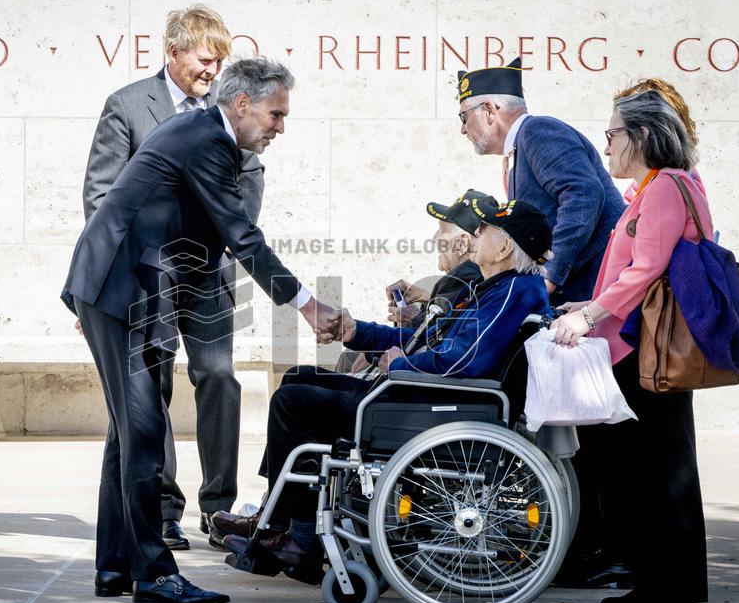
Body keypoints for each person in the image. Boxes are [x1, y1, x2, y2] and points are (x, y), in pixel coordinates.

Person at [61, 57, 339, 603]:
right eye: (275, 114)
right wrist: (307, 305)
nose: (279, 127)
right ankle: (155, 575)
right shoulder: (207, 140)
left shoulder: (203, 132)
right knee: (141, 430)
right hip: (123, 291)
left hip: (123, 288)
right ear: (242, 104)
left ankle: (116, 567)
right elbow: (242, 236)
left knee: (128, 432)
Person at [219, 195, 555, 571]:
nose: (476, 234)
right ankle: (279, 518)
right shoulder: (494, 288)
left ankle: (297, 538)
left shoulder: (512, 290)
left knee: (295, 403)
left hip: (432, 406)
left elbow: (464, 360)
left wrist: (404, 363)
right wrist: (355, 332)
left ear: (505, 246)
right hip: (424, 395)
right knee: (299, 377)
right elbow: (426, 340)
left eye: (486, 230)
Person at [81, 5, 264, 551]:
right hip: (144, 278)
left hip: (208, 272)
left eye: (219, 63)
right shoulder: (128, 106)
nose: (212, 72)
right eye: (206, 61)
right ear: (175, 51)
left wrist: (228, 228)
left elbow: (250, 175)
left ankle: (219, 508)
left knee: (218, 376)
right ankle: (161, 510)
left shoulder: (230, 109)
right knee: (149, 390)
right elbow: (100, 197)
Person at [550, 89, 711, 603]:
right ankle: (673, 582)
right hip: (647, 343)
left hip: (643, 349)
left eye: (613, 133)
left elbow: (646, 270)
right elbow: (636, 270)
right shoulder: (672, 184)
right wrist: (591, 301)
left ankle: (663, 587)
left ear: (641, 136)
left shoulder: (664, 187)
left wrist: (589, 317)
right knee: (666, 465)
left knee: (650, 468)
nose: (607, 145)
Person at [456, 58, 624, 304]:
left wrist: (549, 276)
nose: (462, 129)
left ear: (490, 110)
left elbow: (583, 194)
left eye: (463, 117)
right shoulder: (520, 146)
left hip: (593, 282)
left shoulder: (537, 131)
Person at [334, 196, 484, 374]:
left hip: (415, 378)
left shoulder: (464, 279)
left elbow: (437, 341)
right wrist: (423, 300)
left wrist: (376, 353)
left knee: (343, 363)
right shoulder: (471, 279)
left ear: (462, 243)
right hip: (415, 366)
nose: (434, 238)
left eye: (441, 231)